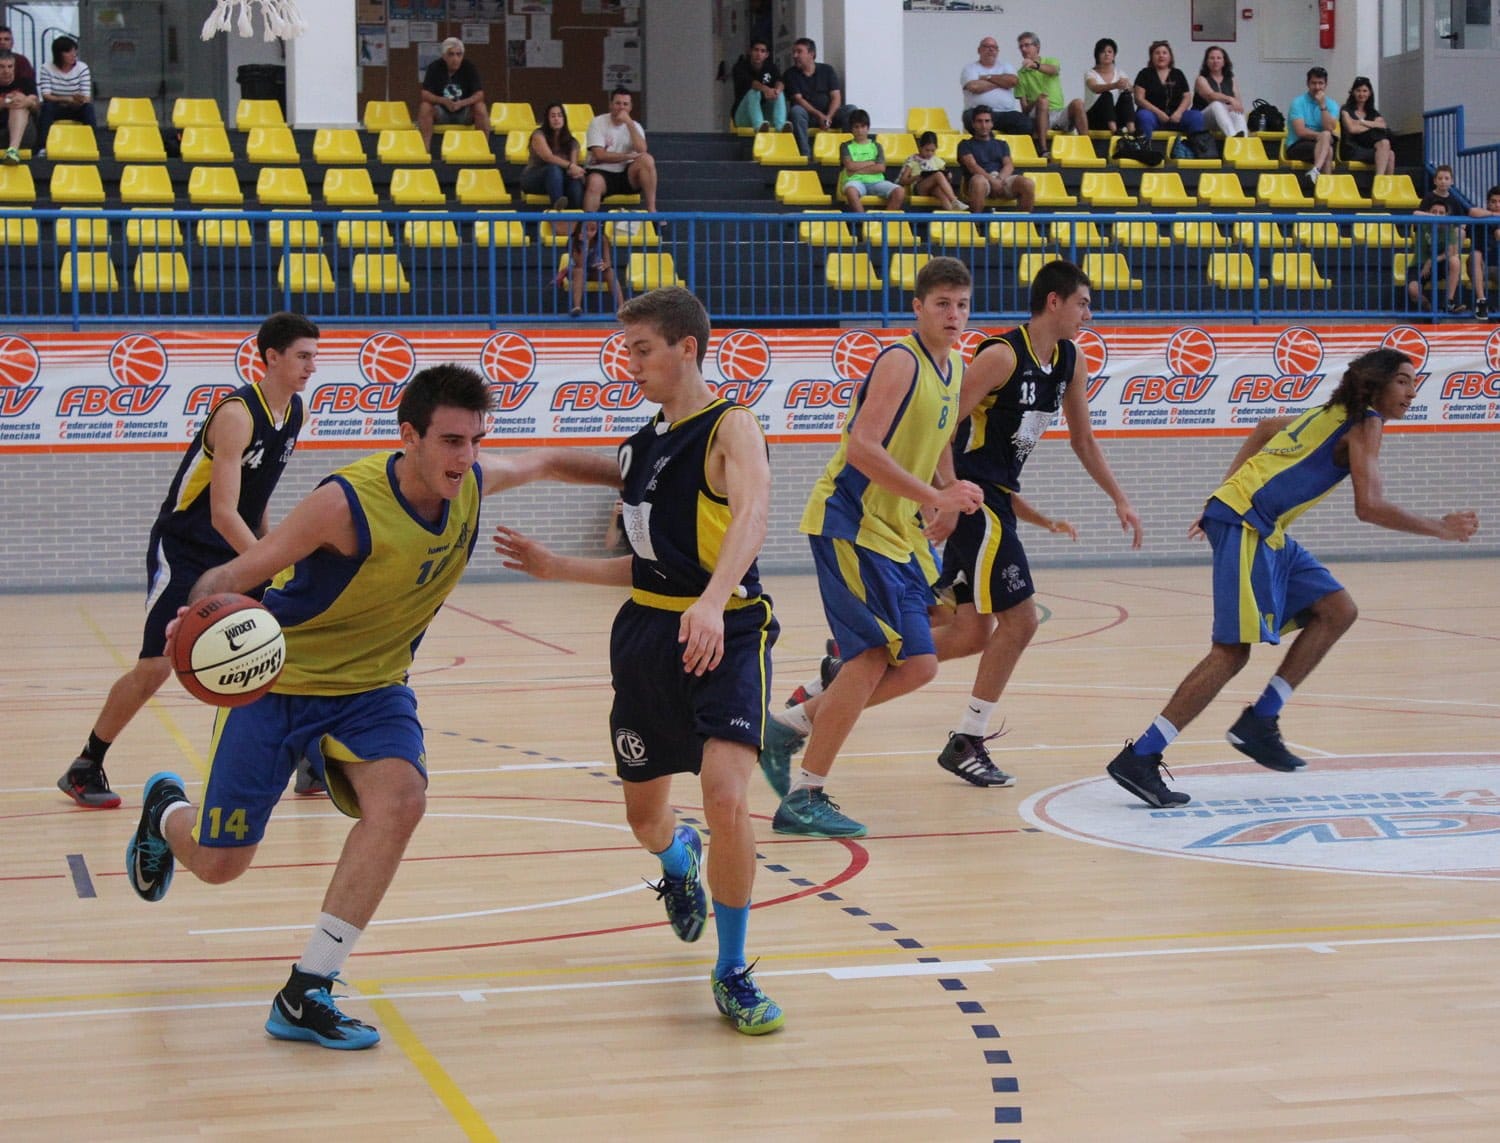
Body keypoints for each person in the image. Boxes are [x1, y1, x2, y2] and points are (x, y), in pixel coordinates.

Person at [124, 363, 621, 1049]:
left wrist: (642, 476)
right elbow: (238, 572)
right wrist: (192, 612)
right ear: (408, 435)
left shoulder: (472, 482)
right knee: (218, 864)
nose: (466, 456)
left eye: (475, 439)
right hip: (281, 684)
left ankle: (308, 988)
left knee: (403, 800)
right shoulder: (343, 503)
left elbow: (547, 461)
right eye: (450, 440)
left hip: (374, 687)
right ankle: (167, 810)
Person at [493, 287, 786, 1035]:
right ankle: (676, 858)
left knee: (726, 791)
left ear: (686, 347)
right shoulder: (642, 445)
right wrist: (550, 554)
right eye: (627, 350)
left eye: (640, 349)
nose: (630, 364)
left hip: (727, 630)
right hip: (649, 639)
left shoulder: (733, 427)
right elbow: (646, 568)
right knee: (645, 815)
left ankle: (733, 968)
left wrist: (716, 599)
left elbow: (753, 513)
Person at [1106, 348, 1479, 808]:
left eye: (1414, 381)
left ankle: (1260, 720)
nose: (1412, 390)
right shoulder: (1365, 423)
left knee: (1337, 608)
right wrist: (1439, 527)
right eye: (1403, 380)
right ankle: (1141, 756)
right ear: (1376, 383)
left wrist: (1218, 495)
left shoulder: (1331, 414)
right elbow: (1370, 506)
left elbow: (1264, 430)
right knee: (1230, 653)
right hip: (1247, 523)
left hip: (1266, 529)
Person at [758, 257, 985, 839]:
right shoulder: (899, 361)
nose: (954, 314)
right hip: (851, 521)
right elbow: (862, 448)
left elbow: (938, 440)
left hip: (898, 529)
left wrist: (942, 494)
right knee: (868, 658)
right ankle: (804, 795)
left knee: (921, 665)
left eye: (961, 304)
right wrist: (933, 493)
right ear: (918, 307)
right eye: (942, 304)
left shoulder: (956, 366)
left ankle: (791, 723)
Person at [57, 313, 319, 809]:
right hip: (186, 550)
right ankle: (86, 763)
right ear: (272, 357)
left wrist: (274, 551)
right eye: (303, 356)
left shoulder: (295, 412)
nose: (311, 366)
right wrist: (267, 561)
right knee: (155, 665)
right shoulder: (238, 414)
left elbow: (254, 499)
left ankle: (308, 759)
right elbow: (222, 514)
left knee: (287, 642)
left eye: (314, 357)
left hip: (239, 548)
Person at [930, 260, 1142, 787]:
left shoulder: (1070, 360)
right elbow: (940, 423)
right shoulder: (1002, 355)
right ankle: (967, 738)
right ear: (1054, 302)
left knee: (964, 629)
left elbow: (1082, 439)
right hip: (976, 499)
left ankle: (853, 662)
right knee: (1020, 621)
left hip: (999, 500)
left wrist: (1120, 498)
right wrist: (944, 497)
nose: (1089, 314)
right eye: (1083, 303)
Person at [582, 87, 659, 217]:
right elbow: (599, 155)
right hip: (601, 172)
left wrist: (629, 123)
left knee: (647, 160)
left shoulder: (635, 126)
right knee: (594, 182)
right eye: (618, 103)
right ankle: (588, 225)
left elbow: (642, 150)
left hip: (626, 174)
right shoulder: (598, 123)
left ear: (630, 107)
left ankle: (652, 211)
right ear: (610, 105)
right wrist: (627, 156)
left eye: (625, 104)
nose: (621, 108)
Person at [1013, 31, 1087, 160]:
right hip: (1038, 114)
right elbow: (1024, 109)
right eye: (1021, 47)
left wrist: (1035, 66)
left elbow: (1054, 70)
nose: (1023, 49)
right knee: (1043, 102)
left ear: (1037, 47)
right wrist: (1036, 100)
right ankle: (1043, 149)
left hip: (1058, 112)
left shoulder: (1050, 61)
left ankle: (1086, 146)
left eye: (1027, 45)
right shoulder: (1020, 74)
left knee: (1078, 103)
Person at [782, 37, 851, 158]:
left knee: (851, 110)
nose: (795, 55)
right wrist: (820, 116)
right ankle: (806, 156)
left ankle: (847, 154)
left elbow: (836, 97)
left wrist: (828, 117)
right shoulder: (790, 74)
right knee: (796, 111)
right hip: (808, 117)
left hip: (830, 116)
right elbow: (799, 99)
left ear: (811, 54)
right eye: (794, 52)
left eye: (799, 52)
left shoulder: (827, 70)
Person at [416, 37, 490, 152]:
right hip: (442, 111)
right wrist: (443, 101)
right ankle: (425, 150)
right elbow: (425, 94)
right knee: (425, 107)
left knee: (481, 107)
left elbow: (480, 94)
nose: (455, 58)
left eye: (459, 54)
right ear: (444, 56)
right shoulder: (434, 67)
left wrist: (462, 103)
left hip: (464, 111)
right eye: (451, 54)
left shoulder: (469, 67)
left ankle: (483, 148)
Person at [957, 108, 1035, 213]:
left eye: (987, 121)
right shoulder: (965, 145)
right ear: (973, 124)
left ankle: (1023, 226)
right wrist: (992, 181)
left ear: (992, 124)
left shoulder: (1001, 144)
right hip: (980, 181)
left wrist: (999, 180)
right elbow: (973, 166)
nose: (983, 125)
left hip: (1001, 179)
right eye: (979, 121)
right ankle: (975, 226)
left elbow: (1008, 165)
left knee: (1028, 183)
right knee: (978, 181)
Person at [1132, 40, 1205, 142]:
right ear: (1151, 57)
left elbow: (1187, 97)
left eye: (1164, 53)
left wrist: (1178, 113)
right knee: (1143, 116)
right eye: (1157, 53)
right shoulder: (1145, 74)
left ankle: (1197, 150)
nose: (1161, 56)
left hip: (1176, 116)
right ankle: (1145, 150)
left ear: (1170, 56)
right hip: (1153, 115)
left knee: (1196, 116)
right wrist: (1159, 113)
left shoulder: (1178, 74)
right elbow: (1139, 99)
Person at [960, 35, 1033, 137]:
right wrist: (1001, 82)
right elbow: (975, 87)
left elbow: (1013, 81)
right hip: (977, 112)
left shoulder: (1006, 66)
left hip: (1005, 113)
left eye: (994, 48)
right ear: (979, 50)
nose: (991, 50)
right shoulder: (970, 69)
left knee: (1026, 124)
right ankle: (989, 145)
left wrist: (987, 78)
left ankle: (1005, 148)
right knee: (969, 118)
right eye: (987, 46)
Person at [521, 101, 586, 210]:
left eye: (560, 115)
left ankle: (576, 216)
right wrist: (570, 166)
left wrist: (575, 170)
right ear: (547, 119)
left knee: (575, 181)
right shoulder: (538, 135)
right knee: (553, 169)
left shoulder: (572, 142)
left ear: (564, 119)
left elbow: (573, 167)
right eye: (553, 116)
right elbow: (548, 157)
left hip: (560, 179)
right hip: (534, 178)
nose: (556, 119)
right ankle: (557, 207)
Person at [1407, 193, 1465, 314]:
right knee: (1413, 291)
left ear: (1446, 215)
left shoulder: (1449, 228)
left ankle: (1449, 302)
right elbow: (1415, 214)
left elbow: (1450, 251)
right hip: (1419, 264)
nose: (1437, 215)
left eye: (1441, 213)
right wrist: (1433, 217)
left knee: (1455, 260)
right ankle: (1429, 307)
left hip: (1439, 264)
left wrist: (1433, 260)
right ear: (1428, 212)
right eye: (1434, 212)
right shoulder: (1422, 224)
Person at [838, 108, 904, 214]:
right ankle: (865, 223)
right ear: (852, 128)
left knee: (899, 191)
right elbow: (849, 166)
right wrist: (871, 162)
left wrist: (857, 170)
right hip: (854, 182)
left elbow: (881, 168)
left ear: (868, 128)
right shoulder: (845, 146)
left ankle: (883, 224)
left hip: (876, 182)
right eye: (856, 127)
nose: (860, 130)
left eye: (863, 127)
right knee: (851, 191)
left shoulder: (877, 146)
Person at [36, 34, 94, 144]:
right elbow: (46, 95)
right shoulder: (46, 68)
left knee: (88, 108)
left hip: (76, 107)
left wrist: (77, 101)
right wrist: (66, 99)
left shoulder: (82, 68)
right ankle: (42, 146)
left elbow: (87, 97)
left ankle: (93, 143)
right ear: (58, 54)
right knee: (46, 108)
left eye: (74, 51)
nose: (73, 55)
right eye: (68, 52)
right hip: (56, 106)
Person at [561, 220, 624, 317]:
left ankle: (622, 307)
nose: (589, 233)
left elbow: (608, 262)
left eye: (593, 230)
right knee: (579, 271)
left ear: (598, 229)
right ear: (580, 229)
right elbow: (579, 264)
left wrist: (603, 265)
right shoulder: (574, 240)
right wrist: (584, 244)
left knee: (610, 272)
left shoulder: (602, 239)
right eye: (586, 229)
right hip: (576, 271)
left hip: (593, 270)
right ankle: (577, 307)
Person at [1285, 65, 1338, 182]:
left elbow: (1329, 127)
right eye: (1314, 83)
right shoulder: (1298, 103)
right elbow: (1301, 131)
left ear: (1326, 85)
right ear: (1308, 84)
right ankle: (1326, 188)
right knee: (1327, 142)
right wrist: (1321, 136)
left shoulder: (1332, 105)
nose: (1317, 87)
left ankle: (1316, 172)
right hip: (1297, 145)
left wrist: (1323, 106)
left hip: (1321, 145)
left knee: (1328, 148)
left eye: (1321, 83)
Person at [899, 130, 968, 212]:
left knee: (940, 192)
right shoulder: (913, 160)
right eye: (927, 150)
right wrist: (916, 177)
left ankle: (952, 215)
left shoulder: (938, 161)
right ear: (920, 147)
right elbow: (903, 180)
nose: (930, 153)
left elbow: (944, 180)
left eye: (933, 151)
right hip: (920, 188)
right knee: (938, 175)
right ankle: (954, 200)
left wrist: (948, 177)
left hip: (934, 188)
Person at [1339, 76, 1395, 176]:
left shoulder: (1373, 113)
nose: (1361, 94)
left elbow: (1383, 126)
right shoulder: (1346, 110)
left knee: (1390, 153)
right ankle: (1379, 181)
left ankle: (1384, 187)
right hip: (1351, 149)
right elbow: (1352, 129)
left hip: (1367, 149)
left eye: (1365, 91)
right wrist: (1373, 125)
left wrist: (1362, 122)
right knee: (1385, 147)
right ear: (1353, 92)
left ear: (1369, 93)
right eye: (1358, 91)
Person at [731, 37, 787, 133]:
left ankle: (781, 127)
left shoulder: (771, 67)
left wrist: (777, 90)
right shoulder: (740, 67)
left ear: (767, 54)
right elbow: (752, 83)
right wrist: (766, 89)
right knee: (754, 92)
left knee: (779, 93)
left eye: (762, 51)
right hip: (743, 117)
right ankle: (759, 127)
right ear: (750, 51)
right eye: (756, 50)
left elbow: (780, 81)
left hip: (765, 117)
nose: (758, 54)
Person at [1083, 38, 1135, 136]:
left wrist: (1129, 88)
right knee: (1106, 95)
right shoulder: (1090, 73)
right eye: (1103, 52)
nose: (1106, 54)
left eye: (1110, 51)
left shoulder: (1120, 73)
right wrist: (1114, 85)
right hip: (1095, 118)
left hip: (1115, 116)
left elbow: (1131, 89)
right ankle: (1114, 131)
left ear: (1114, 55)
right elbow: (1094, 87)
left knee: (1126, 95)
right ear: (1097, 55)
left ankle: (1132, 131)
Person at [1193, 45, 1247, 139]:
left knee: (1237, 110)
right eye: (1212, 58)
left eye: (1219, 58)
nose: (1215, 61)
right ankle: (1232, 137)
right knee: (1216, 104)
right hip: (1205, 119)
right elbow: (1211, 96)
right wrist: (1230, 99)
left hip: (1224, 120)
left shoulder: (1231, 79)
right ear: (1206, 62)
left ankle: (1243, 142)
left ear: (1224, 61)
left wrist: (1236, 104)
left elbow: (1238, 102)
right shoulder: (1201, 79)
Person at [1464, 184, 1499, 322]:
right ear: (1488, 203)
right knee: (1475, 255)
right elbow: (1472, 211)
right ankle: (1481, 302)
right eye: (1493, 201)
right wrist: (1494, 215)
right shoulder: (1482, 216)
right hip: (1481, 267)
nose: (1497, 205)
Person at [0, 50, 38, 164]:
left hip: (23, 135)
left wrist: (27, 102)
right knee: (15, 101)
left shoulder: (25, 83)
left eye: (10, 66)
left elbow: (36, 105)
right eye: (1, 67)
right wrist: (6, 101)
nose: (6, 71)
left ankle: (13, 151)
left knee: (19, 104)